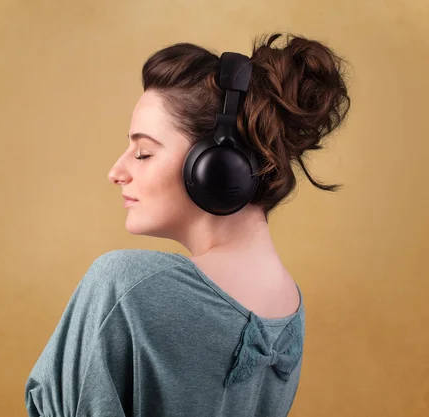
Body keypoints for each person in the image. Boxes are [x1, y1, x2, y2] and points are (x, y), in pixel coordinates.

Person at [25, 32, 351, 417]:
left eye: (144, 152)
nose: (117, 171)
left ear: (216, 165)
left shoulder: (126, 286)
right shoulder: (289, 308)